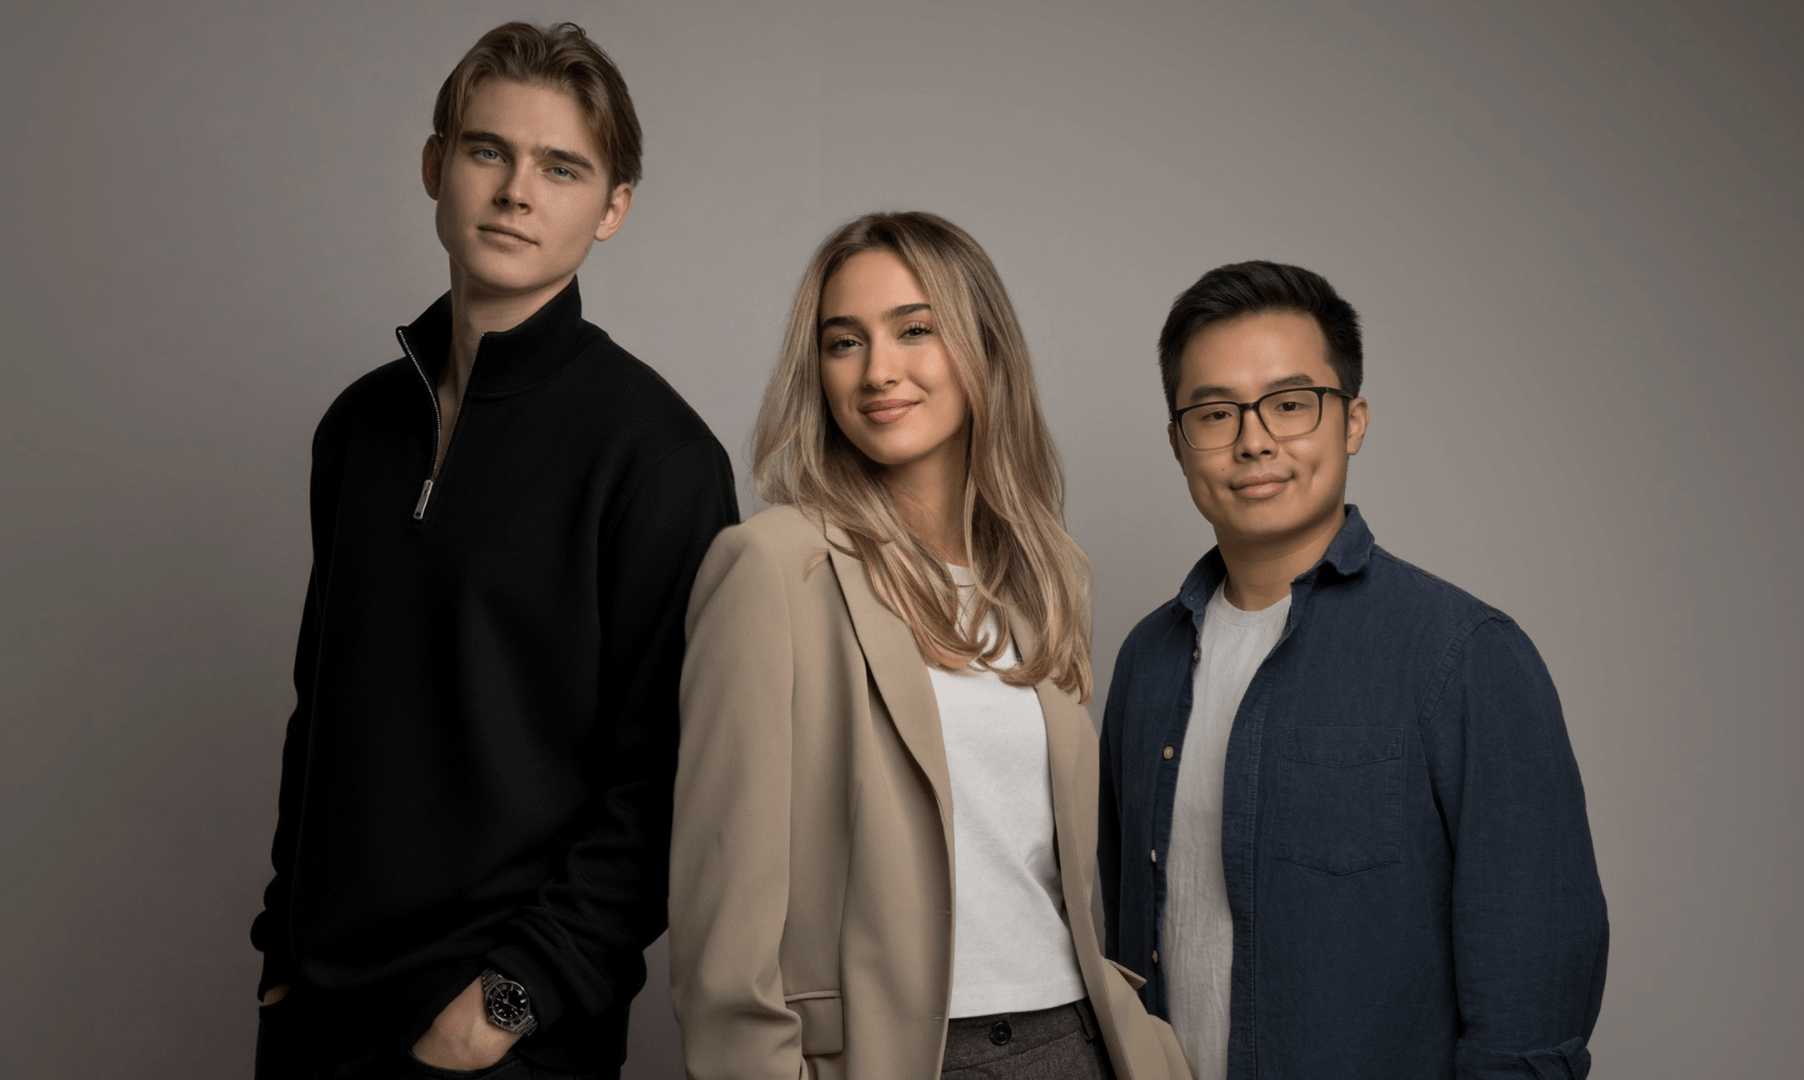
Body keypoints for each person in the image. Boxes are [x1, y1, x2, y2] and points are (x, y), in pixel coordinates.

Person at [250, 22, 737, 1079]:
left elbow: (668, 783)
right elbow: (317, 712)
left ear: (612, 208)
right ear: (436, 166)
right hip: (314, 1022)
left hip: (503, 1039)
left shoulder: (658, 457)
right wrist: (279, 957)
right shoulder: (359, 429)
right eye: (488, 152)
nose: (517, 192)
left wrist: (511, 1004)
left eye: (561, 168)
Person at [669, 212, 1190, 1080]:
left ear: (984, 348)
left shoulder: (1037, 583)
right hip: (906, 1056)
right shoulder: (773, 567)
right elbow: (722, 918)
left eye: (915, 330)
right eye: (844, 342)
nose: (878, 370)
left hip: (1074, 1043)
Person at [1098, 262, 1608, 1080]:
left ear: (1353, 421)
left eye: (1290, 403)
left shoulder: (1466, 654)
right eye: (1215, 413)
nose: (1254, 440)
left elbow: (1533, 988)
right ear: (1178, 442)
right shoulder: (1146, 663)